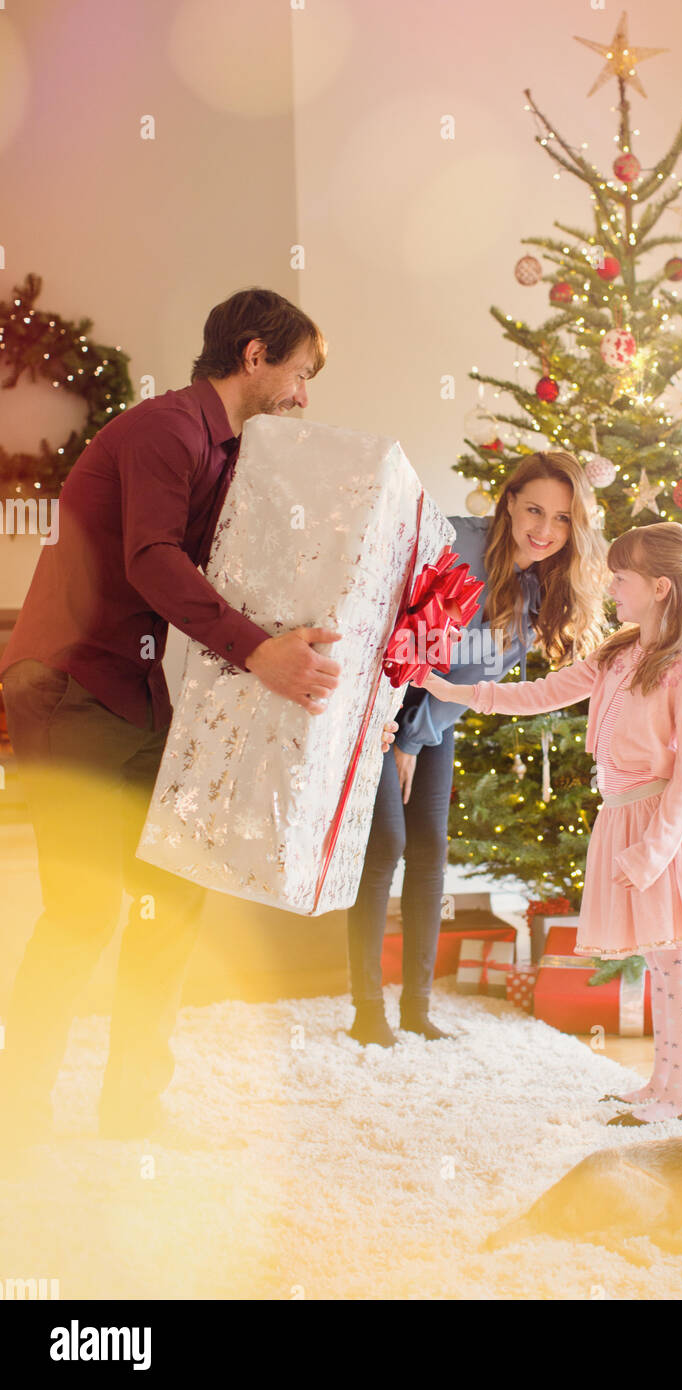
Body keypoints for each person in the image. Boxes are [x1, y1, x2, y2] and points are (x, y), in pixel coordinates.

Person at [0, 287, 396, 1154]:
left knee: (170, 897)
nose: (303, 396)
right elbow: (152, 562)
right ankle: (18, 1120)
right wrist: (259, 652)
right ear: (255, 356)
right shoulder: (166, 431)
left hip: (133, 696)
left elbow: (246, 571)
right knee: (82, 912)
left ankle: (132, 1110)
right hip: (66, 688)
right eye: (300, 374)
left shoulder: (225, 453)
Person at [420, 520, 682, 1123]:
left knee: (676, 962)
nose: (612, 587)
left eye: (622, 578)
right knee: (658, 962)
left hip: (662, 828)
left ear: (662, 587)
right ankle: (662, 1083)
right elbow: (542, 693)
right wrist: (451, 692)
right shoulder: (620, 652)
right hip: (622, 816)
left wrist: (651, 852)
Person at [346, 450, 607, 1046]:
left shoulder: (544, 585)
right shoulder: (455, 545)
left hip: (434, 717)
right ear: (509, 501)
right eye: (535, 509)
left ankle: (416, 1008)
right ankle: (366, 1010)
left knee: (431, 848)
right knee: (386, 842)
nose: (545, 530)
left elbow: (474, 681)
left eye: (563, 519)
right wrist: (398, 734)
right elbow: (397, 633)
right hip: (381, 705)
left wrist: (418, 737)